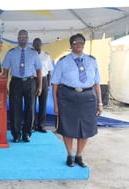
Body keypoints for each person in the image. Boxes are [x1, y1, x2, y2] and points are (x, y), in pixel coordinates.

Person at [51, 33, 103, 167]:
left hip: (88, 97)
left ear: (84, 45)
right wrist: (56, 105)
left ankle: (79, 156)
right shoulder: (63, 61)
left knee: (85, 128)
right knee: (68, 128)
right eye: (75, 43)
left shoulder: (92, 60)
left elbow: (97, 83)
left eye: (81, 42)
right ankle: (69, 155)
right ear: (70, 45)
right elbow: (55, 84)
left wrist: (100, 103)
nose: (78, 45)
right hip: (68, 97)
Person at [2, 29, 42, 143]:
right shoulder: (11, 53)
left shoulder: (34, 53)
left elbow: (39, 70)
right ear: (17, 38)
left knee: (30, 109)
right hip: (16, 82)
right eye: (20, 36)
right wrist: (4, 87)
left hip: (30, 82)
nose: (22, 38)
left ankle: (27, 133)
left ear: (27, 39)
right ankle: (16, 135)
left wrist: (39, 86)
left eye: (24, 36)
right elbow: (5, 70)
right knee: (15, 109)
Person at [32, 38, 53, 133]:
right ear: (33, 44)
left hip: (43, 80)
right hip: (32, 80)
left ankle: (41, 125)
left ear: (41, 44)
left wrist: (48, 84)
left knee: (43, 104)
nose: (37, 45)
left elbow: (49, 72)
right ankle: (31, 125)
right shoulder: (30, 55)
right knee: (31, 104)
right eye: (35, 43)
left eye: (39, 43)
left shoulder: (46, 56)